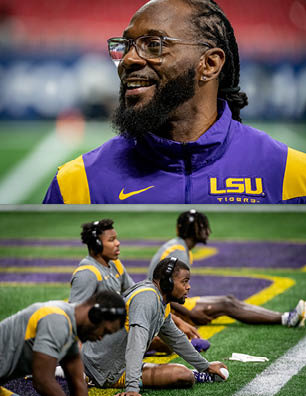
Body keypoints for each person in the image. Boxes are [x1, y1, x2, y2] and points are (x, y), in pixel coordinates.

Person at [43, 0, 306, 204]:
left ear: (210, 64)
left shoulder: (293, 178)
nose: (128, 60)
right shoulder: (76, 186)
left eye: (153, 45)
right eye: (126, 46)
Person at [81, 257, 228, 396]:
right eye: (184, 281)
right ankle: (79, 374)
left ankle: (199, 373)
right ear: (167, 283)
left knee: (182, 372)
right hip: (103, 370)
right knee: (183, 375)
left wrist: (205, 366)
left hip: (116, 364)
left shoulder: (159, 299)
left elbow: (176, 339)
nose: (188, 287)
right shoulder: (147, 299)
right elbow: (136, 344)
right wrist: (132, 388)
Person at [148, 209, 306, 327]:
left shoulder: (178, 247)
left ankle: (285, 317)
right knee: (227, 305)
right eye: (203, 227)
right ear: (195, 230)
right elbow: (166, 290)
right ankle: (286, 319)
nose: (207, 230)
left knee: (228, 300)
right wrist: (191, 313)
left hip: (164, 304)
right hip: (165, 308)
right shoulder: (179, 252)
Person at [70, 218, 207, 343]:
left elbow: (136, 294)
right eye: (111, 240)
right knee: (162, 342)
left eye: (116, 239)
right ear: (97, 244)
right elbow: (74, 316)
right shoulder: (87, 273)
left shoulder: (114, 264)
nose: (117, 243)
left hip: (118, 327)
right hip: (100, 337)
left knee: (162, 337)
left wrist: (177, 321)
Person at [0, 290, 126, 396]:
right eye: (104, 331)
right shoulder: (57, 321)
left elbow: (78, 383)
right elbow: (43, 381)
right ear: (95, 315)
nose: (100, 338)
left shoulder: (70, 327)